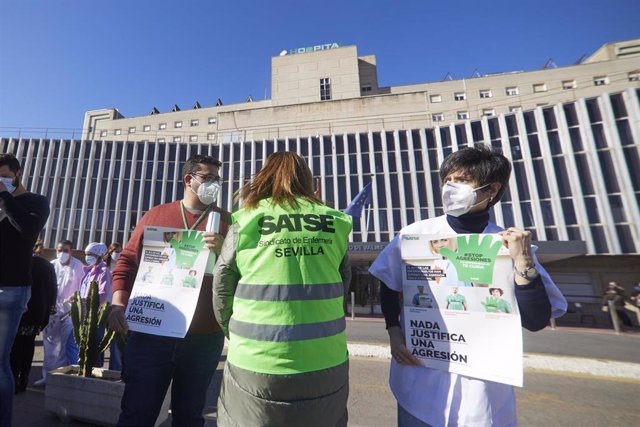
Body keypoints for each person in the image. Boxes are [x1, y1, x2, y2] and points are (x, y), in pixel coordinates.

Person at [369, 144, 567, 426]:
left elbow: (536, 320)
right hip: (420, 376)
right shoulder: (414, 236)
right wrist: (393, 332)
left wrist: (523, 261)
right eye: (447, 181)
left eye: (461, 181)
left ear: (491, 190)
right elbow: (389, 284)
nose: (450, 188)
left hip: (482, 387)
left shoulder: (507, 244)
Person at [213, 151, 352, 427]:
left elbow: (222, 285)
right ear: (307, 179)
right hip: (326, 356)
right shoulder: (333, 222)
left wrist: (237, 330)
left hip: (257, 358)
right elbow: (343, 283)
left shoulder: (248, 220)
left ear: (265, 177)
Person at [107, 154, 230, 427]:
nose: (214, 185)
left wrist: (225, 251)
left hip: (204, 338)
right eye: (207, 178)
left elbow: (242, 272)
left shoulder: (227, 222)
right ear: (189, 180)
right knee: (136, 413)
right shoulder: (157, 214)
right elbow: (127, 260)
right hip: (152, 334)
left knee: (189, 416)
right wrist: (118, 303)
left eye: (217, 180)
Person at [0, 153, 50, 427]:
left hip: (10, 289)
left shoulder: (35, 202)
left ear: (17, 174)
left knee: (0, 360)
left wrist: (6, 198)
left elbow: (29, 230)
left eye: (4, 177)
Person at [10, 241, 57, 393]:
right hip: (35, 312)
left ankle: (15, 377)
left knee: (16, 345)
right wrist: (50, 308)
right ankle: (23, 377)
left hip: (20, 311)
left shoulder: (18, 261)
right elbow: (52, 289)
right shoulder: (44, 264)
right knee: (27, 344)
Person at [37, 239, 85, 386]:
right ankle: (48, 377)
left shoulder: (79, 267)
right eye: (59, 250)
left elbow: (84, 287)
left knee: (65, 346)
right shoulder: (50, 266)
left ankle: (62, 379)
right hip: (52, 311)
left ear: (71, 251)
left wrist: (76, 298)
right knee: (50, 345)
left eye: (65, 250)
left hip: (70, 312)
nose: (62, 253)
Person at [80, 242, 112, 367]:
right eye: (86, 254)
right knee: (86, 341)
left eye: (90, 254)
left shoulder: (104, 271)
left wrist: (88, 303)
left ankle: (95, 368)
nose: (87, 257)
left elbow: (102, 293)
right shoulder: (89, 269)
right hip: (85, 310)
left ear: (99, 255)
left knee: (95, 342)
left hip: (96, 312)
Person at [105, 242, 123, 371]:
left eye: (120, 251)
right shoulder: (104, 267)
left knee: (116, 339)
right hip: (103, 306)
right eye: (116, 251)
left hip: (116, 307)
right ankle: (95, 364)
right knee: (99, 338)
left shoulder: (123, 266)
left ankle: (115, 368)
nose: (118, 253)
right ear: (110, 252)